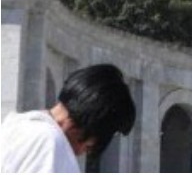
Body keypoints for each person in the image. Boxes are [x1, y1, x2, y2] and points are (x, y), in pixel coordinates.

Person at [0, 64, 137, 173]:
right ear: (94, 123)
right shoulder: (49, 142)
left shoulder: (16, 127)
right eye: (91, 144)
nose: (83, 152)